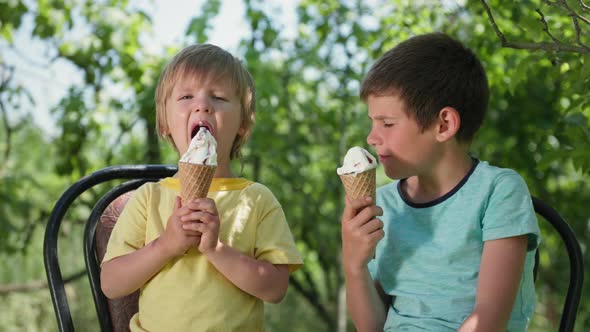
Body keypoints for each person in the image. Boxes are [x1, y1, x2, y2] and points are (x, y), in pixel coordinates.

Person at [341, 32, 540, 331]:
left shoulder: (498, 192)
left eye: (388, 124)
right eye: (372, 123)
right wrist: (354, 266)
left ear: (443, 124)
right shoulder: (385, 205)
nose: (372, 137)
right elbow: (371, 326)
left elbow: (488, 319)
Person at [100, 44, 303, 332]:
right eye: (185, 96)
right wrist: (166, 245)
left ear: (242, 125)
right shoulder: (149, 198)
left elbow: (275, 288)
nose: (202, 105)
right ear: (165, 124)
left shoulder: (255, 200)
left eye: (218, 97)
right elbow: (111, 283)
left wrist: (216, 249)